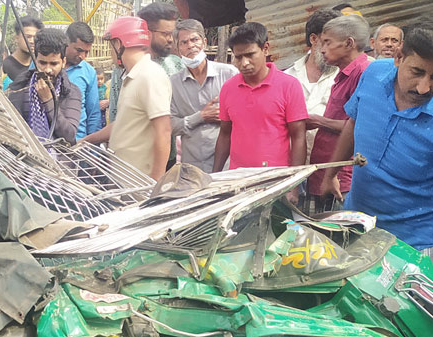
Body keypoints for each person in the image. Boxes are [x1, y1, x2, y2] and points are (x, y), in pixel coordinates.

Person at [318, 12, 433, 289]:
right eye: (417, 72)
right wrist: (331, 173)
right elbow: (354, 121)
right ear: (399, 56)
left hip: (416, 243)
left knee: (401, 315)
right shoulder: (373, 74)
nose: (423, 87)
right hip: (358, 225)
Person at [212, 22, 308, 201]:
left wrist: (293, 186)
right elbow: (225, 134)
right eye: (238, 57)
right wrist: (215, 178)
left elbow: (298, 136)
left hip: (276, 181)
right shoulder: (228, 88)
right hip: (238, 182)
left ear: (265, 49)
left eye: (250, 55)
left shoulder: (289, 85)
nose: (244, 63)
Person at [81, 16, 172, 181]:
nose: (110, 52)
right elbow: (123, 124)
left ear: (118, 44)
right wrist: (86, 141)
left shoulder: (150, 75)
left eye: (110, 45)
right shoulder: (131, 77)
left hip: (140, 183)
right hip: (123, 179)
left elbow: (164, 131)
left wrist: (155, 182)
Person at [306, 15, 371, 212]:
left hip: (343, 177)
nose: (322, 49)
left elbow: (362, 126)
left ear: (349, 43)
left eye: (327, 42)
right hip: (326, 173)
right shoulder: (343, 74)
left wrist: (319, 121)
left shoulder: (364, 73)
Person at [107, 3, 182, 170]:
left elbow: (165, 129)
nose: (171, 39)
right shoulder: (122, 70)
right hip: (129, 166)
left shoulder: (172, 66)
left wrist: (156, 179)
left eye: (172, 34)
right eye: (165, 34)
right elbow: (118, 117)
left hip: (155, 165)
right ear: (146, 33)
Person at [170, 19, 238, 173]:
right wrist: (200, 117)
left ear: (204, 43)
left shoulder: (229, 74)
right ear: (178, 50)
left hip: (227, 166)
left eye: (195, 39)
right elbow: (170, 126)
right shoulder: (173, 83)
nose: (190, 46)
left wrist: (225, 116)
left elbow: (245, 114)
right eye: (184, 42)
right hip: (193, 167)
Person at [285, 8, 342, 164]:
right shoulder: (288, 77)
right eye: (328, 41)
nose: (335, 48)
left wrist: (321, 122)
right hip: (290, 167)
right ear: (313, 39)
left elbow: (357, 126)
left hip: (330, 167)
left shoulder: (345, 78)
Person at [7, 29, 81, 144]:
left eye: (53, 63)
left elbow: (69, 136)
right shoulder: (20, 87)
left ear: (63, 62)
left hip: (58, 154)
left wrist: (48, 100)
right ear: (35, 61)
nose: (47, 70)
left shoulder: (71, 92)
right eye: (42, 63)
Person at [65, 21, 101, 141]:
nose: (83, 56)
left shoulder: (89, 72)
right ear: (66, 42)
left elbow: (93, 113)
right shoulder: (44, 64)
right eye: (79, 50)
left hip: (77, 143)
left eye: (86, 52)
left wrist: (92, 147)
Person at [3, 16, 43, 84]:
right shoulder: (5, 66)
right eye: (28, 37)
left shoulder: (39, 64)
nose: (32, 41)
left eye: (35, 37)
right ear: (16, 38)